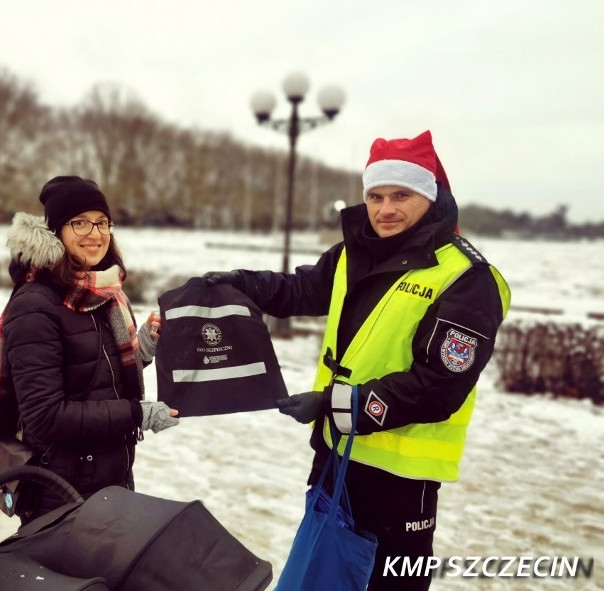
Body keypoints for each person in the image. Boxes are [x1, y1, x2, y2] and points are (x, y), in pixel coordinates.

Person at [205, 131, 510, 590]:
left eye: (401, 195)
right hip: (335, 455)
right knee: (323, 572)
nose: (386, 209)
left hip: (401, 481)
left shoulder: (468, 278)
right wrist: (240, 283)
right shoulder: (355, 252)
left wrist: (333, 403)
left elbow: (437, 388)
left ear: (430, 198)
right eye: (376, 196)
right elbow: (301, 289)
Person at [0, 175, 179, 525]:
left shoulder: (105, 293)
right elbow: (46, 416)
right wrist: (137, 414)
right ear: (56, 231)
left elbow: (95, 371)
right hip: (60, 490)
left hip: (111, 476)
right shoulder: (35, 306)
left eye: (103, 222)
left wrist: (145, 348)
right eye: (80, 222)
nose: (95, 233)